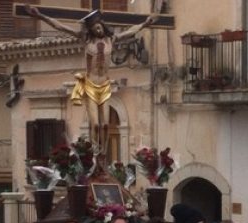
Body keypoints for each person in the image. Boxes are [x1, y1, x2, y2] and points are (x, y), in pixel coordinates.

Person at [26, 5, 158, 153]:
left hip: (105, 85)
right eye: (95, 28)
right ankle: (95, 151)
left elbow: (130, 31)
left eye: (100, 27)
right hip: (91, 85)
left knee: (106, 124)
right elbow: (61, 27)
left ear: (103, 26)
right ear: (91, 30)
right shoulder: (86, 40)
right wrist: (41, 16)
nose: (98, 30)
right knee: (95, 125)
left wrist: (145, 24)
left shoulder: (111, 40)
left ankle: (103, 151)